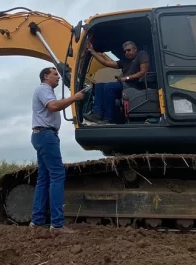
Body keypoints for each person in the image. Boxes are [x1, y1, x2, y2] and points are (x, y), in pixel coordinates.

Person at [30, 66, 85, 232]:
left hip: (41, 136)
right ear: (46, 76)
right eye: (55, 75)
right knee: (57, 175)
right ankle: (57, 224)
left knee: (44, 177)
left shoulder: (45, 90)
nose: (58, 78)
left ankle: (37, 221)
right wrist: (74, 98)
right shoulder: (43, 89)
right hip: (47, 136)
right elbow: (53, 106)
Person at [83, 40, 150, 124]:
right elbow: (106, 62)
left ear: (135, 49)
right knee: (99, 86)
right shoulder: (124, 62)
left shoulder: (142, 54)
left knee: (109, 87)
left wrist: (127, 78)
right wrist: (92, 51)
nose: (126, 53)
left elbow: (144, 72)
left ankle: (108, 118)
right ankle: (97, 114)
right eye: (125, 51)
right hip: (125, 86)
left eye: (128, 50)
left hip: (136, 86)